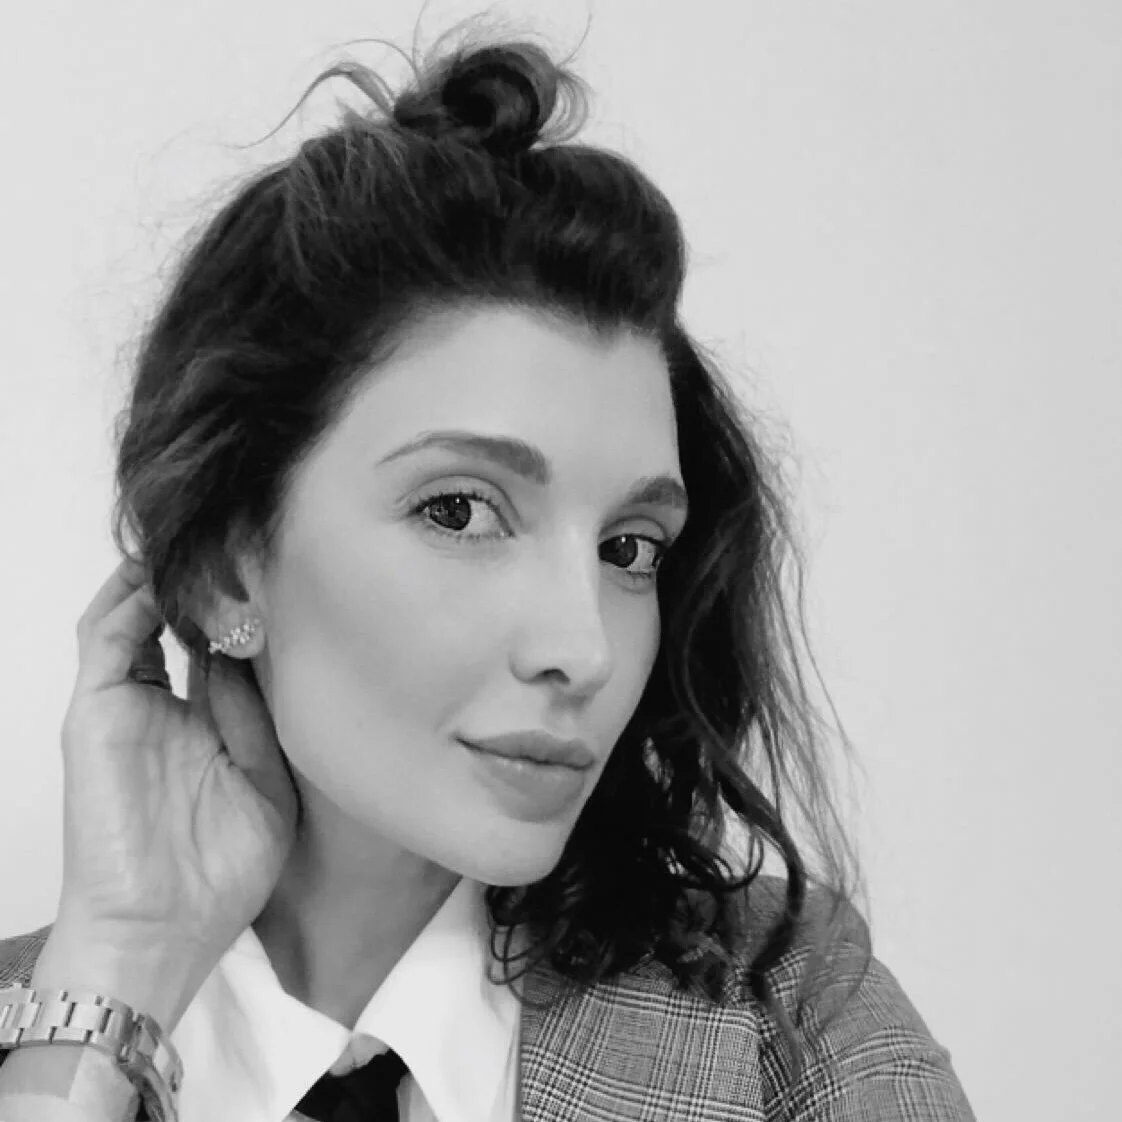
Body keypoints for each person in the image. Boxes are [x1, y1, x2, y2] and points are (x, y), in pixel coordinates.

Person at [0, 19, 976, 1122]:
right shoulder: (33, 1028)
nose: (583, 648)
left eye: (628, 548)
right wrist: (115, 971)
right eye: (460, 511)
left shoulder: (791, 1017)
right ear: (230, 569)